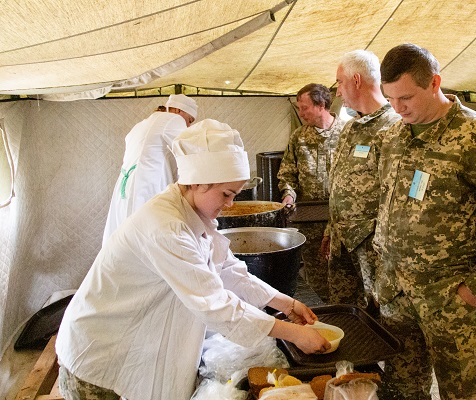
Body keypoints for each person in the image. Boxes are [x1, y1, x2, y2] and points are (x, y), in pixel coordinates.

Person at [55, 119, 330, 400]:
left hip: (128, 340)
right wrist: (292, 333)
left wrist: (285, 303)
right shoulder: (166, 227)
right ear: (198, 182)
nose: (230, 204)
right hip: (99, 355)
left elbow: (227, 270)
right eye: (226, 194)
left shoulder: (192, 213)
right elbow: (215, 305)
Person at [376, 43, 476, 399]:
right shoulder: (393, 136)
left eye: (406, 98)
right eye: (390, 98)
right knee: (402, 391)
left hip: (451, 301)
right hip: (397, 297)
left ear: (434, 83)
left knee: (462, 394)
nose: (397, 108)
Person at [323, 50, 401, 314]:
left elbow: (397, 198)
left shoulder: (393, 127)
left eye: (340, 82)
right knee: (346, 314)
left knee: (379, 317)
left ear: (356, 80)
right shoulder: (351, 127)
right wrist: (330, 229)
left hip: (371, 248)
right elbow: (338, 182)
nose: (337, 92)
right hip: (343, 242)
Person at [277, 83, 346, 301]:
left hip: (341, 222)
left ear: (321, 105)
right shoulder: (299, 137)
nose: (300, 113)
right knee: (317, 283)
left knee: (345, 281)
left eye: (304, 107)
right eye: (298, 108)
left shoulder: (347, 133)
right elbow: (287, 174)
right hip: (310, 221)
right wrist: (288, 195)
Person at [102, 94, 198, 246]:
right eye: (190, 120)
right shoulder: (173, 119)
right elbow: (188, 153)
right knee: (148, 237)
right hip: (146, 184)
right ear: (178, 110)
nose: (188, 125)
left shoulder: (142, 124)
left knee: (125, 236)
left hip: (124, 188)